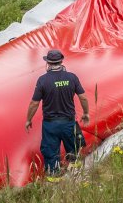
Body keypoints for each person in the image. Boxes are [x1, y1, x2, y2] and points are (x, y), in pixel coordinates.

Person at [25, 50, 90, 182]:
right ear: (61, 61)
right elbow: (83, 97)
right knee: (73, 150)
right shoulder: (72, 77)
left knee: (51, 153)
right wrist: (86, 113)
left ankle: (54, 181)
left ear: (48, 63)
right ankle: (76, 179)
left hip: (50, 125)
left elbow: (34, 103)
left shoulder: (43, 80)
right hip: (68, 122)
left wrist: (28, 120)